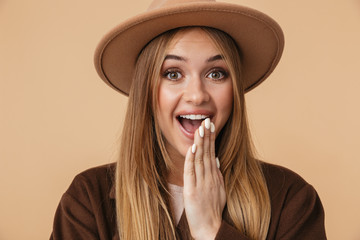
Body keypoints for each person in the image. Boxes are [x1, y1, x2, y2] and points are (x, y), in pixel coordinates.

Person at [50, 0, 326, 239]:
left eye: (216, 73)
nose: (196, 96)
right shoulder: (87, 199)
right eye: (173, 73)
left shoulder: (291, 198)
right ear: (147, 91)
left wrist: (211, 230)